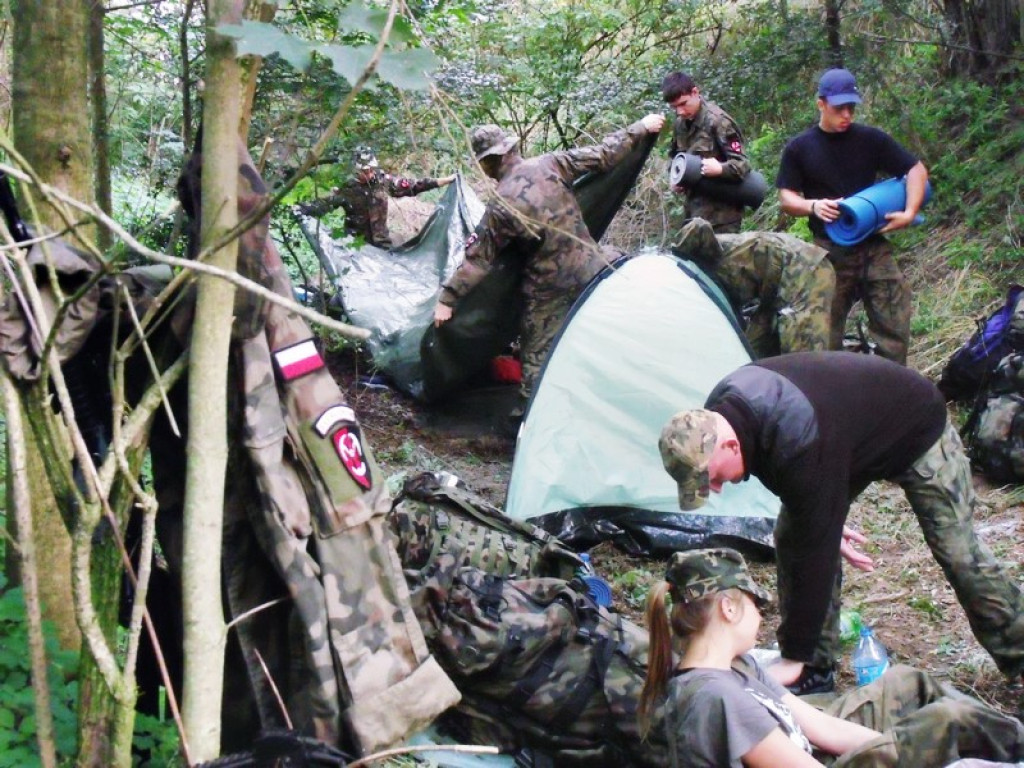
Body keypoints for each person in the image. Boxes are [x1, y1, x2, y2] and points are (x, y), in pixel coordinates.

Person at [657, 351, 1024, 696]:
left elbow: (812, 541)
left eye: (713, 479)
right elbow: (804, 488)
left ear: (730, 447)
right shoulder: (720, 413)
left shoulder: (797, 438)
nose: (716, 489)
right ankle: (817, 669)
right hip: (846, 435)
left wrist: (792, 657)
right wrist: (822, 512)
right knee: (796, 535)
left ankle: (1019, 653)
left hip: (916, 426)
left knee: (959, 553)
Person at [638, 547, 1024, 767]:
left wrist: (901, 745)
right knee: (950, 720)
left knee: (908, 682)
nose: (761, 615)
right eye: (756, 604)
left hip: (809, 750)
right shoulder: (716, 699)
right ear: (728, 608)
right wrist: (909, 748)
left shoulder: (737, 666)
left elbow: (821, 728)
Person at [433, 113, 665, 410]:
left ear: (490, 161)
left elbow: (479, 260)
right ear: (511, 149)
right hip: (593, 269)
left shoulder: (501, 204)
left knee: (536, 362)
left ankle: (527, 422)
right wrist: (640, 127)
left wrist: (447, 299)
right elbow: (606, 156)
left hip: (550, 291)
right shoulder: (552, 162)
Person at [776, 68, 929, 364]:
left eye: (851, 108)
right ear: (821, 104)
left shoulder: (871, 139)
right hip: (829, 251)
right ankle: (835, 396)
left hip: (873, 245)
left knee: (894, 323)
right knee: (824, 332)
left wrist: (909, 212)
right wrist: (813, 206)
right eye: (838, 108)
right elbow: (787, 198)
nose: (846, 115)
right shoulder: (800, 148)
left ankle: (891, 389)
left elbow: (916, 171)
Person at [674, 217, 835, 357]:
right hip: (771, 291)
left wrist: (680, 249)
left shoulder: (706, 257)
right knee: (750, 355)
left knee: (802, 354)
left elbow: (699, 225)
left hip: (807, 270)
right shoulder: (700, 280)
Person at [298, 146, 456, 248]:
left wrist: (443, 181)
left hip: (381, 245)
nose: (369, 174)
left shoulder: (382, 181)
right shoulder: (348, 188)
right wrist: (301, 209)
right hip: (356, 247)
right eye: (364, 171)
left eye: (371, 170)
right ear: (356, 170)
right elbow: (324, 205)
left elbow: (412, 185)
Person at [662, 71, 751, 234]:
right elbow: (674, 157)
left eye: (683, 104)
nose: (680, 111)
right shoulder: (680, 125)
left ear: (695, 93)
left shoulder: (718, 121)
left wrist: (720, 169)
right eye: (674, 107)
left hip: (723, 217)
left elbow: (742, 165)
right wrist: (674, 177)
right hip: (693, 213)